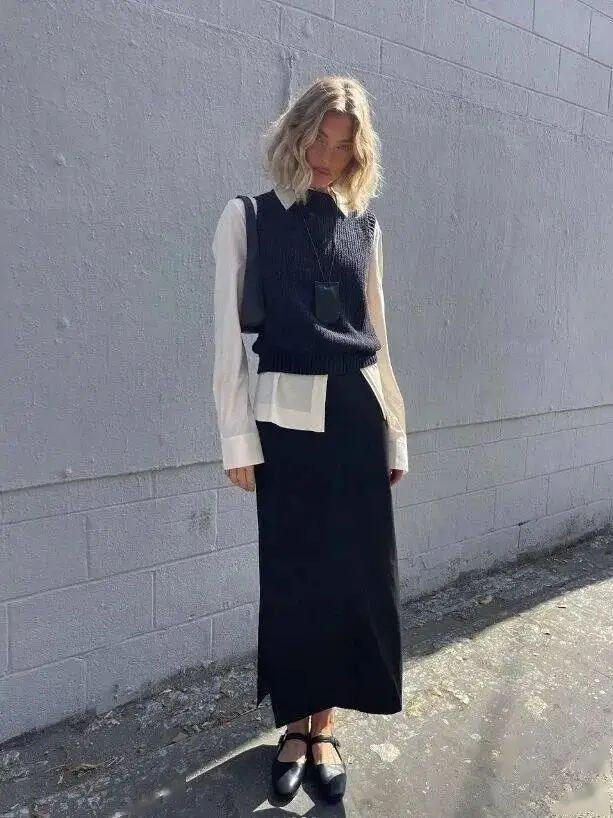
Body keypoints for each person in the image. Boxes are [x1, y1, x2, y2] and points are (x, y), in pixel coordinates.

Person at [211, 74, 408, 804]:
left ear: (359, 153)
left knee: (355, 577)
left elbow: (378, 335)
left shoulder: (366, 227)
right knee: (296, 577)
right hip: (285, 422)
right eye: (318, 140)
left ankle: (325, 729)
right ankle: (293, 727)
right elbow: (225, 339)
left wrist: (395, 434)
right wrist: (237, 439)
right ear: (295, 135)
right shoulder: (249, 217)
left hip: (357, 415)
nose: (327, 157)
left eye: (343, 146)